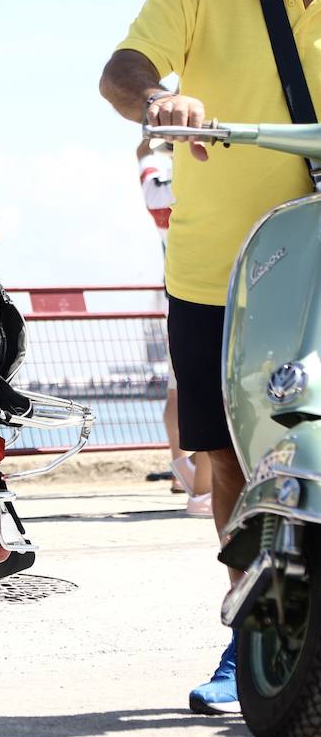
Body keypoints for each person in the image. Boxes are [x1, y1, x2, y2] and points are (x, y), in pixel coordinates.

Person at [98, 0, 321, 716]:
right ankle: (251, 638)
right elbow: (122, 71)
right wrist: (160, 101)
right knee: (227, 455)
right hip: (222, 266)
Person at [136, 140, 214, 514]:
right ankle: (202, 487)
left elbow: (143, 160)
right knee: (212, 391)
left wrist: (149, 145)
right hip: (213, 292)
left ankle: (183, 466)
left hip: (177, 295)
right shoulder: (210, 180)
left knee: (177, 389)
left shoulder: (159, 192)